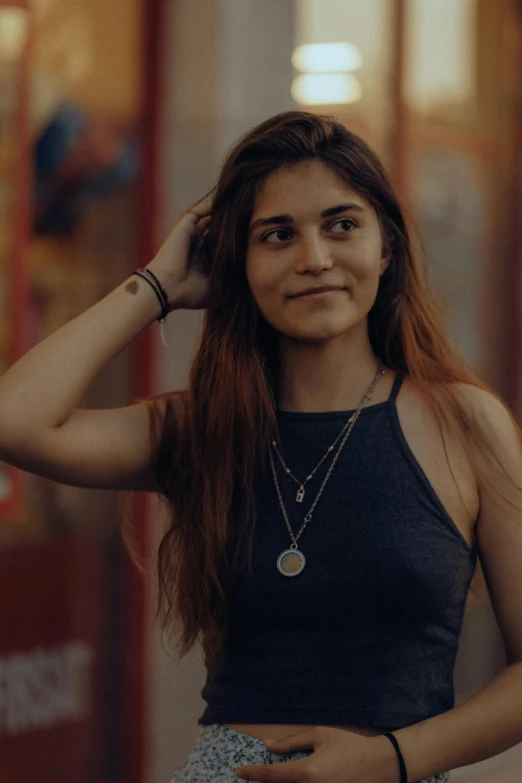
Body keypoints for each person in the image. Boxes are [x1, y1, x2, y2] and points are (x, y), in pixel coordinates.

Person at [0, 110, 521, 783]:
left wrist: (393, 758)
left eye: (341, 225)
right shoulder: (200, 428)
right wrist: (157, 285)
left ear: (386, 246)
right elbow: (15, 421)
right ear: (238, 264)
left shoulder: (465, 424)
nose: (313, 258)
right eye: (277, 235)